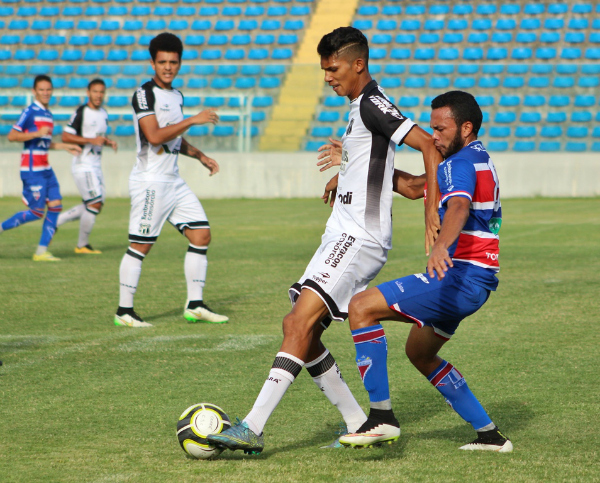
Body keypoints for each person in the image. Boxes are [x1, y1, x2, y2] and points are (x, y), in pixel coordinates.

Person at [208, 26, 441, 454]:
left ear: (358, 64)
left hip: (357, 236)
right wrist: (347, 170)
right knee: (300, 328)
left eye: (333, 69)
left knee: (298, 323)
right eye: (323, 70)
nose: (328, 77)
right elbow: (405, 184)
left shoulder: (372, 103)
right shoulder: (358, 108)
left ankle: (252, 427)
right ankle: (359, 422)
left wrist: (436, 211)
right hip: (341, 232)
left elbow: (427, 144)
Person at [338, 91, 512, 453]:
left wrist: (440, 246)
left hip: (457, 278)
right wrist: (353, 170)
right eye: (432, 128)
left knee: (361, 307)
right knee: (420, 353)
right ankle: (490, 436)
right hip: (475, 282)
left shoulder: (458, 164)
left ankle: (381, 418)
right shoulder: (478, 159)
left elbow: (460, 207)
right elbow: (417, 187)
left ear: (466, 127)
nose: (434, 136)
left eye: (440, 128)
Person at [114, 32, 228, 328]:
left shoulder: (176, 96)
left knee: (201, 235)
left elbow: (173, 138)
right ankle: (124, 311)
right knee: (141, 245)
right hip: (150, 181)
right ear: (153, 62)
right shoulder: (144, 94)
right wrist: (192, 119)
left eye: (173, 62)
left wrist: (200, 155)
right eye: (162, 62)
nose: (168, 67)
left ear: (179, 63)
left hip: (173, 180)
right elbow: (153, 136)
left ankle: (195, 305)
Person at [0, 75, 81, 261]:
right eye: (41, 90)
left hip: (46, 168)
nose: (45, 93)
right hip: (32, 170)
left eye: (48, 89)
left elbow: (45, 143)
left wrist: (66, 147)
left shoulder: (48, 114)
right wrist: (36, 132)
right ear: (34, 92)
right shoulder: (30, 111)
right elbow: (12, 136)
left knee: (56, 206)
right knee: (36, 212)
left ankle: (41, 251)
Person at [57, 79, 118, 254]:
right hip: (83, 164)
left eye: (101, 92)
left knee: (93, 204)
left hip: (96, 165)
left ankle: (56, 222)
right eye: (95, 92)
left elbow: (97, 137)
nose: (98, 95)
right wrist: (91, 140)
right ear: (88, 92)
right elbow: (66, 137)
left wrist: (108, 142)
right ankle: (82, 245)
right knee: (95, 202)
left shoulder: (104, 113)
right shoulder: (81, 112)